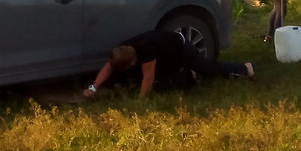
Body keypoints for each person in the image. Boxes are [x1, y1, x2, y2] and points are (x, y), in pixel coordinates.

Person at [83, 30, 254, 98]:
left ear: (134, 61)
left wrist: (141, 102)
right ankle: (190, 76)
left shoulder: (146, 51)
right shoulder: (122, 50)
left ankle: (245, 69)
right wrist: (93, 88)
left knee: (207, 68)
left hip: (180, 48)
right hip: (165, 54)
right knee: (163, 82)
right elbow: (108, 67)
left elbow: (148, 78)